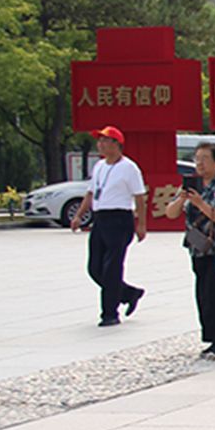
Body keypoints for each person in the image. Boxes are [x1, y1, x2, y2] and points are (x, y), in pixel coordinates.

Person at [163, 140, 215, 356]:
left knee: (214, 294)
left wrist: (201, 205)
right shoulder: (191, 186)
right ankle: (209, 336)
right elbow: (170, 213)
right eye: (197, 159)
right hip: (197, 248)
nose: (200, 163)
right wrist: (182, 199)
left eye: (205, 159)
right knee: (202, 295)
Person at [71, 125, 148, 327]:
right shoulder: (99, 166)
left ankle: (109, 313)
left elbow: (140, 197)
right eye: (99, 141)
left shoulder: (129, 168)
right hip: (100, 219)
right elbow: (90, 193)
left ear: (116, 144)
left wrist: (141, 224)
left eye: (105, 140)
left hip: (120, 219)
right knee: (95, 268)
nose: (101, 145)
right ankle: (129, 293)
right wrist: (79, 215)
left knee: (112, 268)